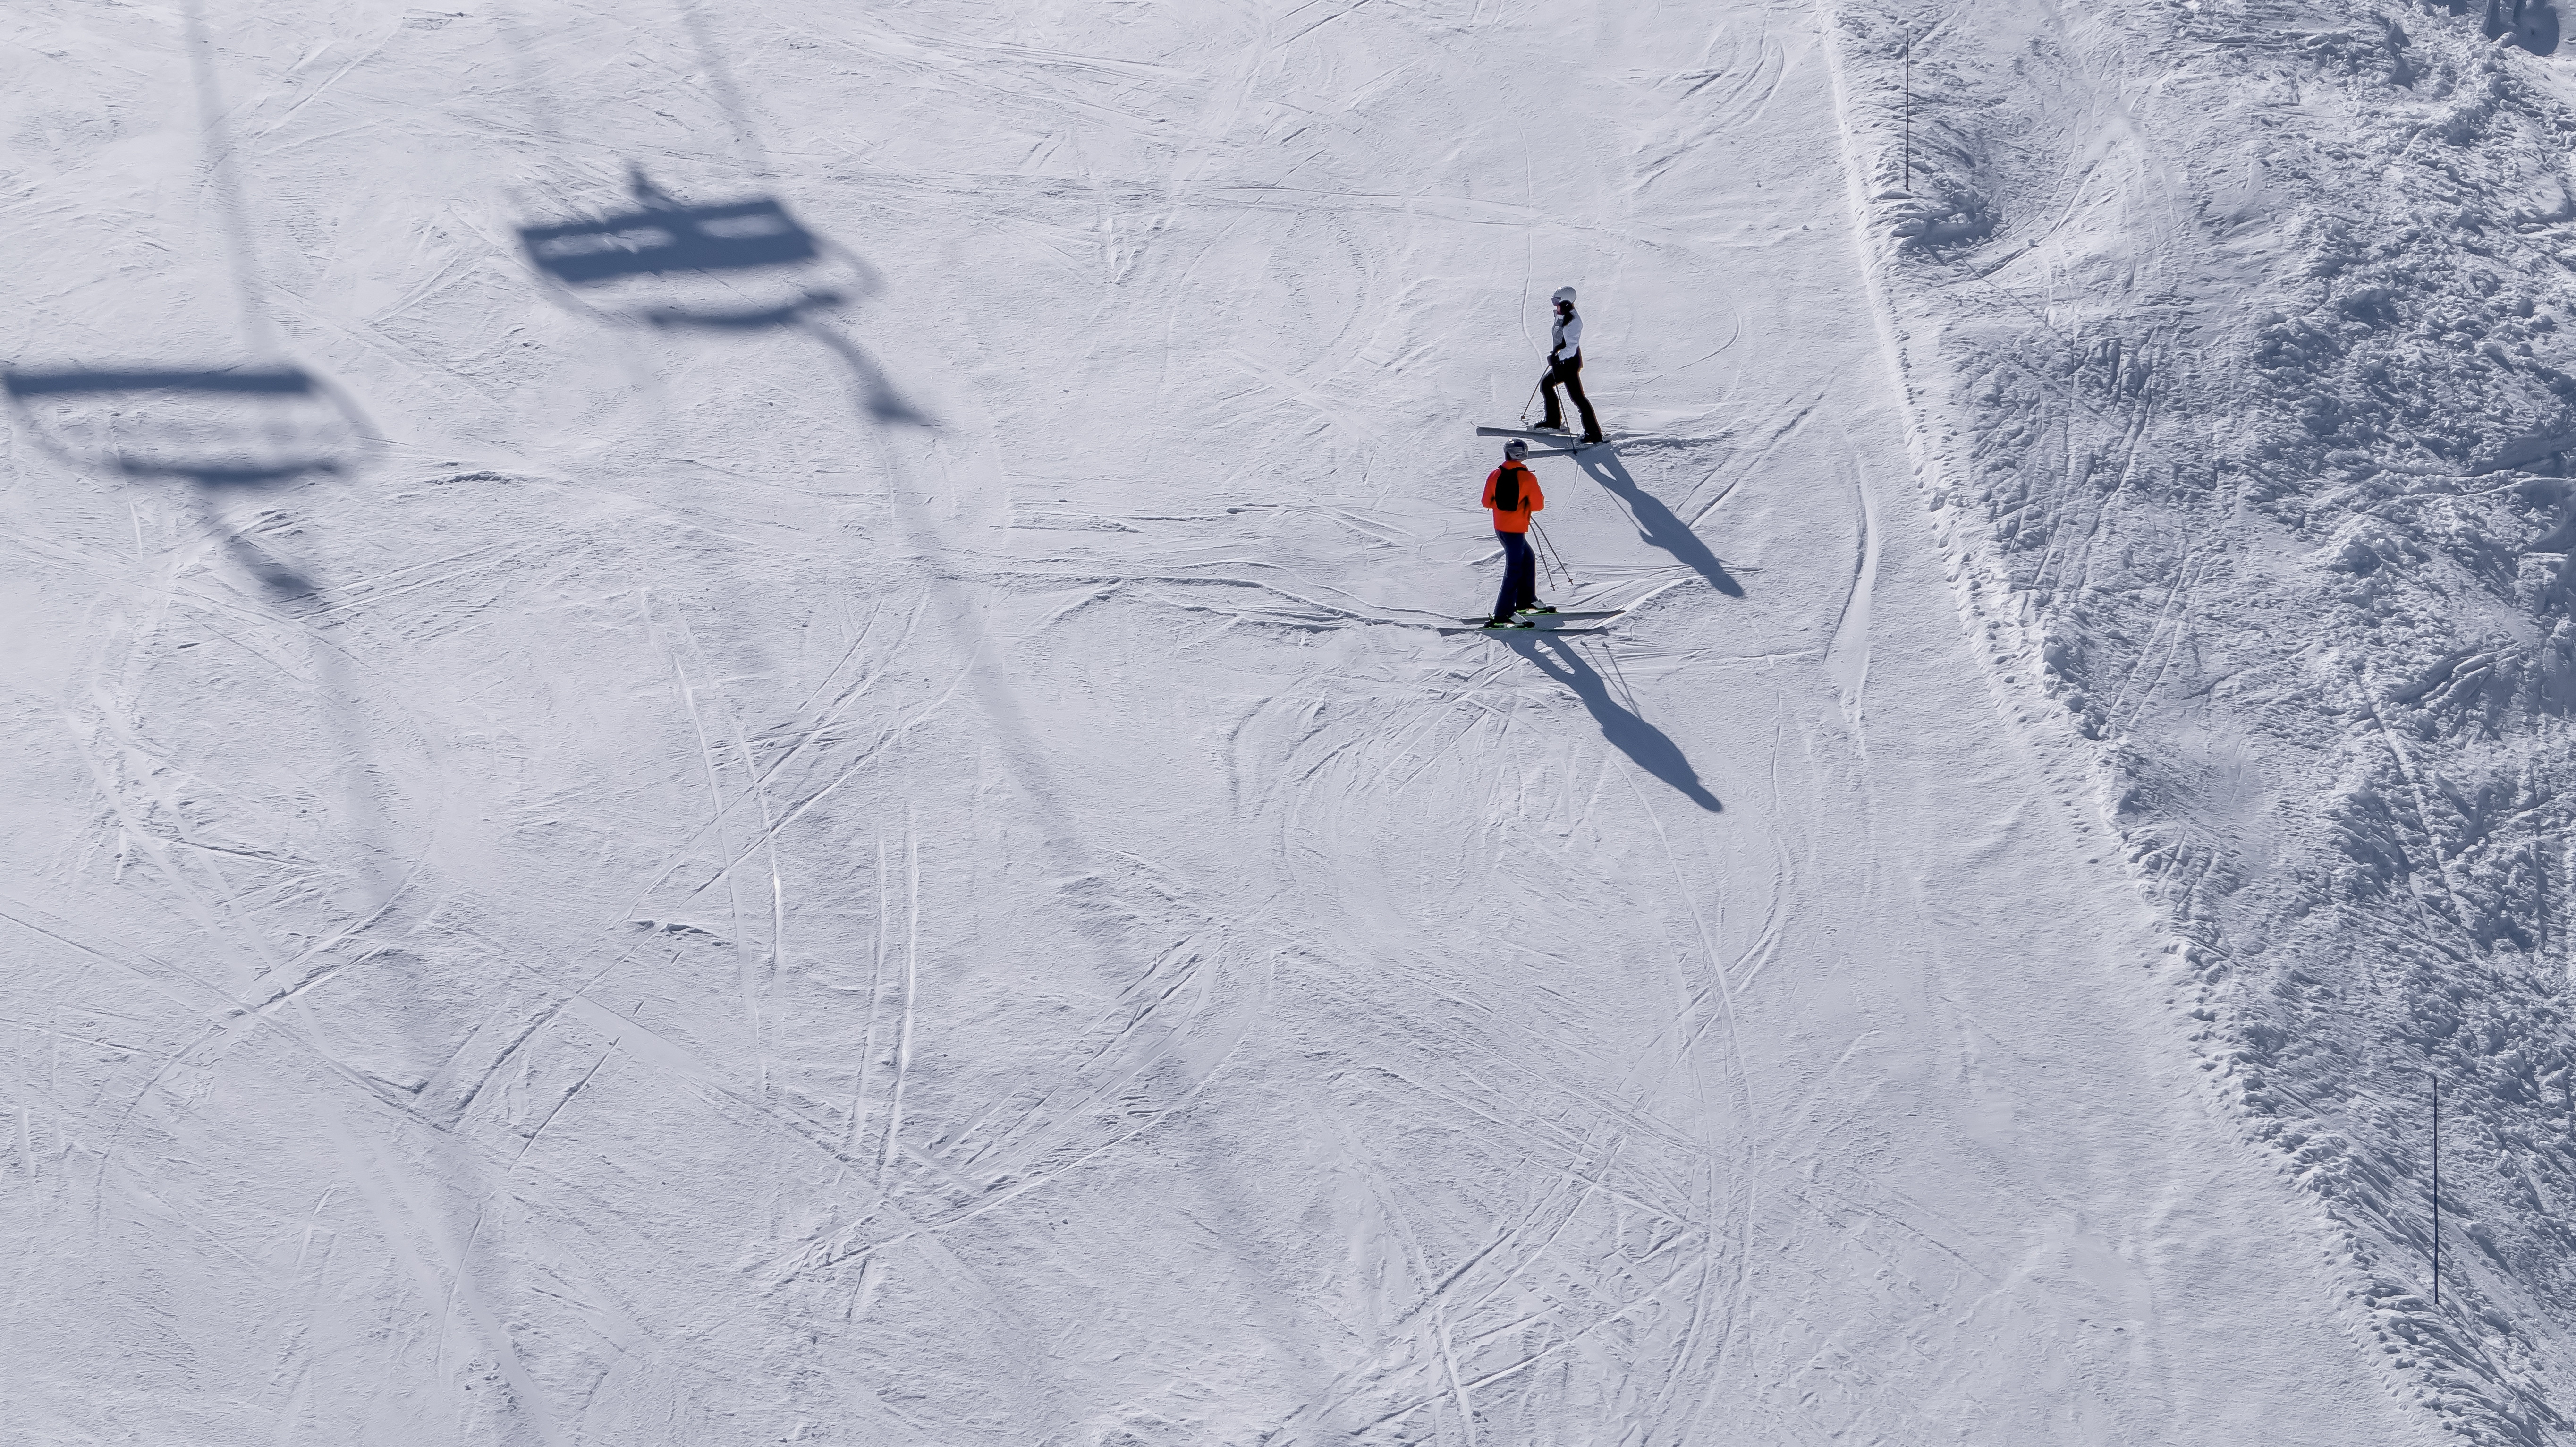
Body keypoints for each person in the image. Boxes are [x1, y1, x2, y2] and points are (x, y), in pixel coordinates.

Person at [1481, 438, 1554, 627]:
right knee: (1514, 569)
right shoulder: (1527, 477)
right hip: (1516, 530)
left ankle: (1525, 600)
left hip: (1501, 528)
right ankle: (1502, 614)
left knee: (1528, 558)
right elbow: (1538, 506)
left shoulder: (1495, 474)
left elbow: (1486, 502)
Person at [1535, 286, 1603, 445]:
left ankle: (1594, 434)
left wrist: (1557, 358)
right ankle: (1553, 422)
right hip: (1563, 362)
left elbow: (1571, 347)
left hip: (1568, 363)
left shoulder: (1573, 321)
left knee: (1578, 398)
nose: (1554, 305)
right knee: (1546, 385)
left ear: (1566, 303)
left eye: (1556, 302)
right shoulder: (1563, 314)